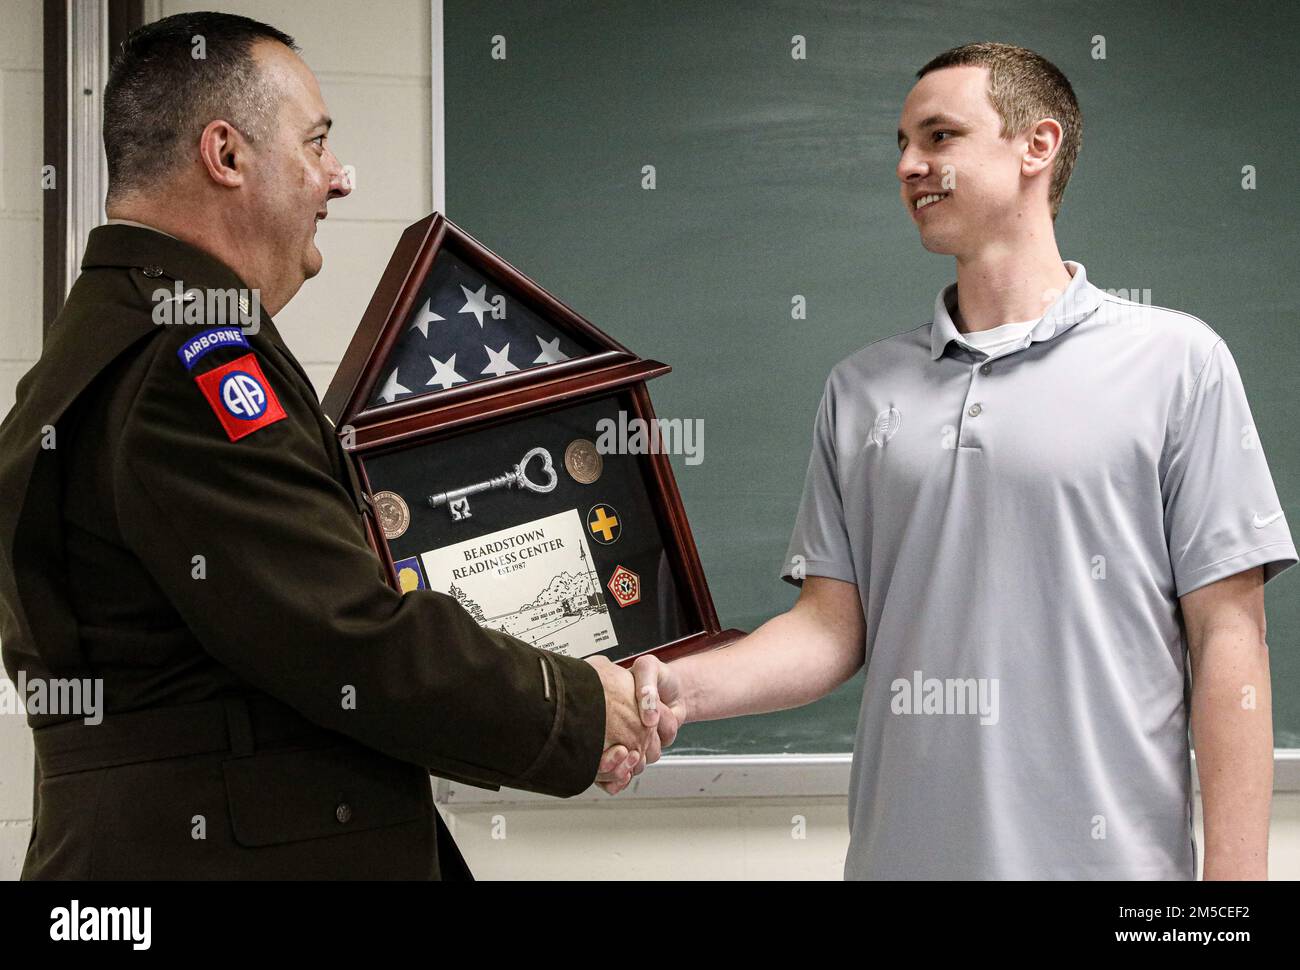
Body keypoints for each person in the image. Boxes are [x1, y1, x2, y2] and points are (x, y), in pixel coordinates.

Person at [0, 12, 668, 880]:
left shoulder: (125, 332)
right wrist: (575, 708)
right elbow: (345, 634)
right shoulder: (187, 366)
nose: (338, 179)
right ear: (226, 155)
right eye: (315, 144)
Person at [621, 42, 1297, 879]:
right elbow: (830, 632)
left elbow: (1229, 641)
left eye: (939, 137)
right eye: (902, 144)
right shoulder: (859, 390)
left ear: (1036, 147)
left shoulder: (1178, 363)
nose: (909, 165)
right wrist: (676, 692)